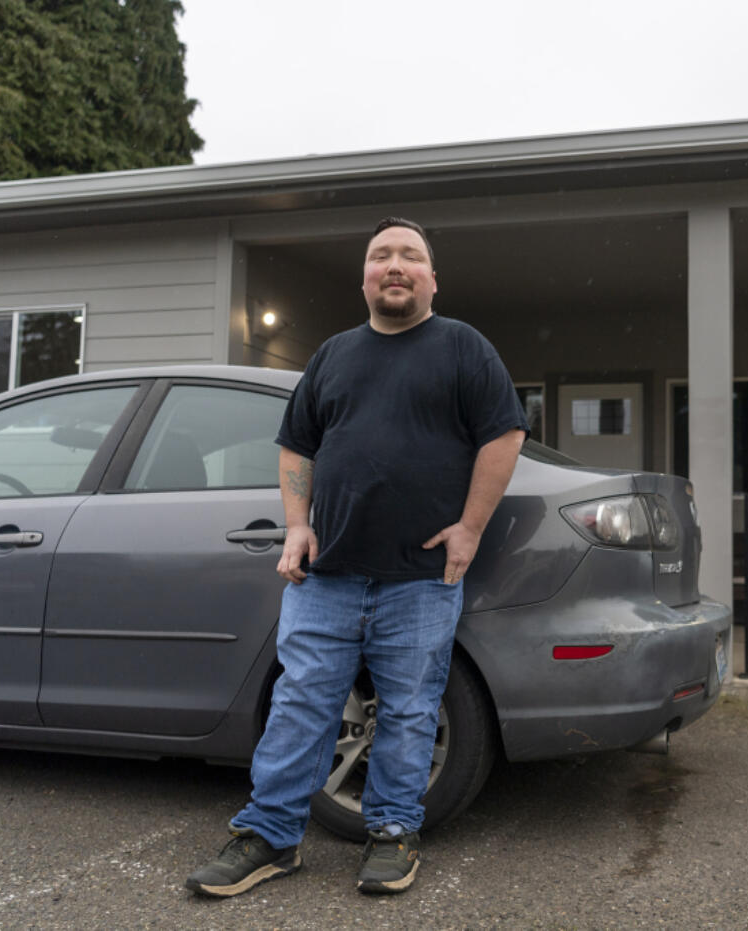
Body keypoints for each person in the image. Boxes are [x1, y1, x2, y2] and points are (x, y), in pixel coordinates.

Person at [185, 217, 528, 898]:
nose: (394, 265)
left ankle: (393, 832)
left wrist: (470, 527)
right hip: (327, 573)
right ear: (365, 276)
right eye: (380, 256)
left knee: (407, 709)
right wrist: (296, 525)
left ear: (432, 277)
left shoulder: (463, 347)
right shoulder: (335, 354)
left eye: (410, 256)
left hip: (420, 577)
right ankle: (270, 836)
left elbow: (504, 433)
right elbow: (296, 446)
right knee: (300, 704)